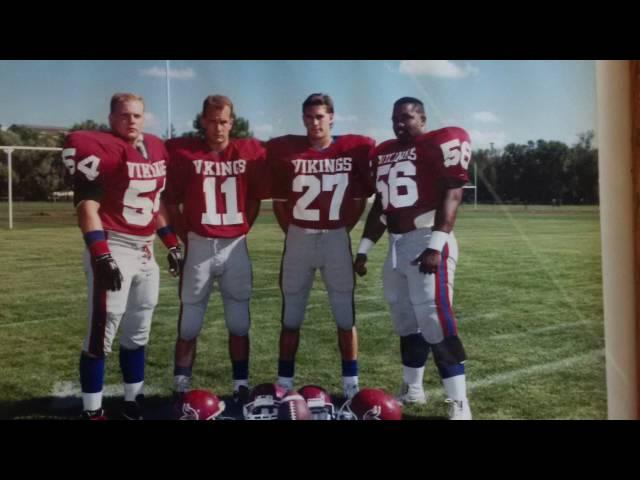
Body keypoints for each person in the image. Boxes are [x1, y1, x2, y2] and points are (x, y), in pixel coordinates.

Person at [62, 92, 182, 420]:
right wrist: (101, 255)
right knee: (102, 331)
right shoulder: (100, 149)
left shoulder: (156, 148)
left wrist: (171, 243)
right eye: (125, 115)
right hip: (113, 244)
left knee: (139, 329)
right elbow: (87, 207)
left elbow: (152, 202)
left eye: (138, 116)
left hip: (144, 249)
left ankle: (133, 400)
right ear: (112, 118)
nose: (132, 121)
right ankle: (93, 411)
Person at [353, 97, 473, 420]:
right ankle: (413, 389)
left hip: (425, 238)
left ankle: (459, 406)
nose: (399, 123)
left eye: (407, 117)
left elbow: (453, 193)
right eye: (395, 117)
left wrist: (436, 245)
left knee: (437, 322)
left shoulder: (437, 143)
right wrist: (364, 248)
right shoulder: (384, 152)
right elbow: (381, 207)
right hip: (396, 245)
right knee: (406, 323)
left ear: (422, 118)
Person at [266, 93, 374, 399]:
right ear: (303, 119)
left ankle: (350, 383)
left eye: (320, 117)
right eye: (309, 117)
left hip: (335, 238)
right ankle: (285, 381)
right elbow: (279, 204)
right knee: (291, 316)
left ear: (332, 117)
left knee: (345, 315)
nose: (314, 123)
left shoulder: (353, 148)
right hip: (300, 237)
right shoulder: (286, 150)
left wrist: (339, 230)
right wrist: (297, 232)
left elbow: (359, 201)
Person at [164, 95, 269, 404]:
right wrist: (187, 235)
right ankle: (180, 384)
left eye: (223, 121)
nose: (218, 127)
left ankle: (240, 384)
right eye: (212, 121)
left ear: (231, 123)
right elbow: (170, 202)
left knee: (239, 321)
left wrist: (241, 229)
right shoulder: (185, 153)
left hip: (235, 245)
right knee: (189, 322)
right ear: (203, 121)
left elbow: (254, 200)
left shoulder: (247, 152)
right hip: (199, 245)